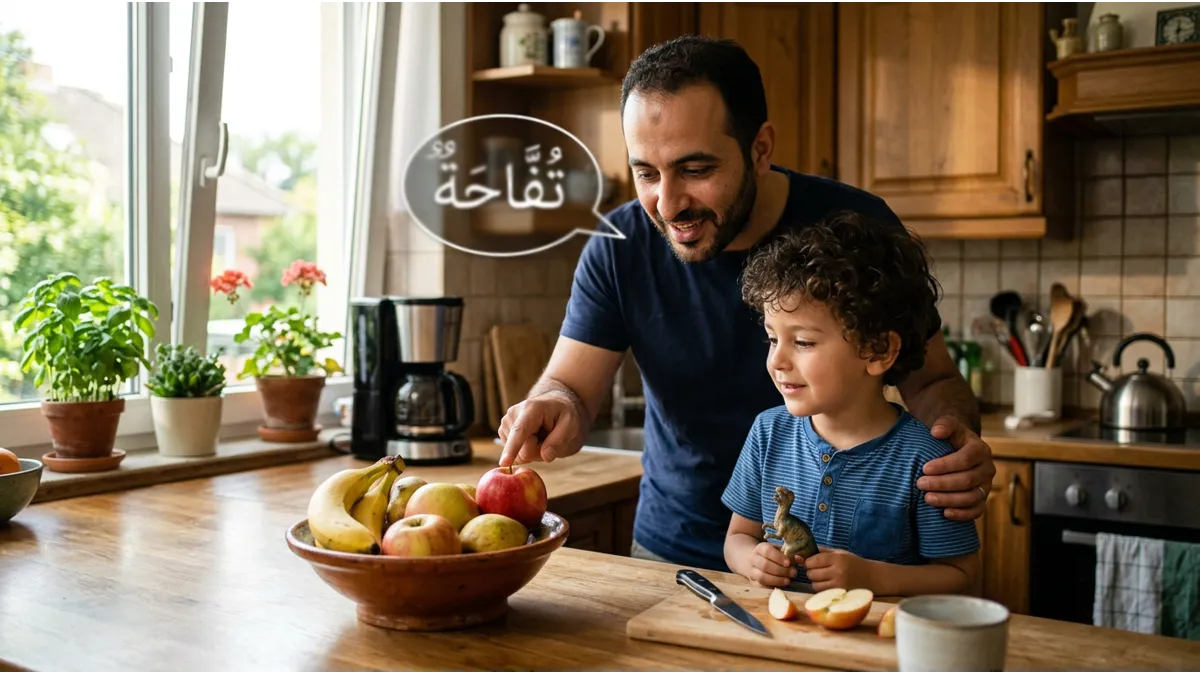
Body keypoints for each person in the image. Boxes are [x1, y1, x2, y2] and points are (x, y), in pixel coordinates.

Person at [497, 35, 996, 573]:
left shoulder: (856, 226)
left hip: (848, 566)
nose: (667, 204)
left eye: (695, 170)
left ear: (760, 149)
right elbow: (569, 388)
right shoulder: (618, 247)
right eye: (646, 173)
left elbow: (933, 380)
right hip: (673, 556)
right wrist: (556, 406)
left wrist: (956, 443)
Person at [722, 211, 980, 596]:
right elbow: (737, 538)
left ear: (877, 351)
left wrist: (874, 578)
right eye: (772, 339)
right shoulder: (767, 433)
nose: (777, 360)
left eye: (804, 342)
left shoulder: (926, 459)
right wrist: (752, 560)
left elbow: (960, 575)